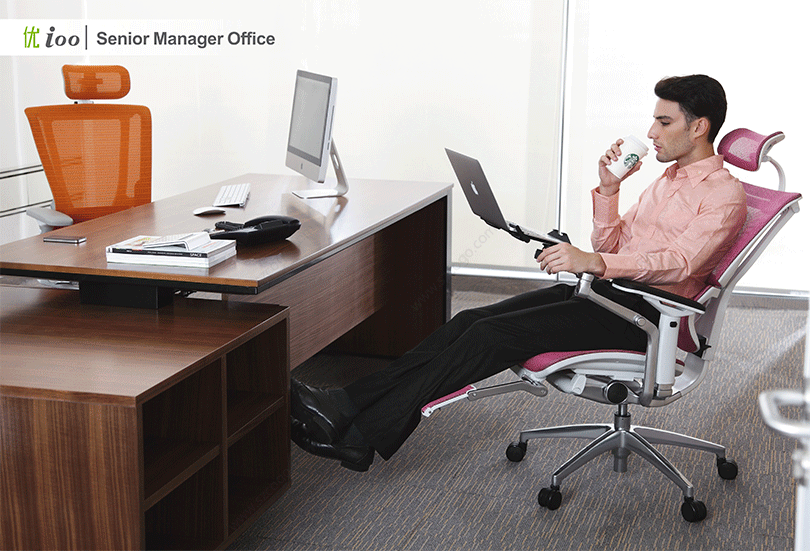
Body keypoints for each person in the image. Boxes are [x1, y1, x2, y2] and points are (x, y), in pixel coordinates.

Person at [290, 74, 747, 472]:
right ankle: (346, 407)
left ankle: (358, 435)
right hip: (610, 293)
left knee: (489, 337)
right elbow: (611, 247)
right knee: (471, 320)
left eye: (664, 122)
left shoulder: (724, 196)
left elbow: (680, 264)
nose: (650, 132)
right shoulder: (667, 181)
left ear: (699, 127)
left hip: (647, 316)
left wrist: (593, 263)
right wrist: (609, 191)